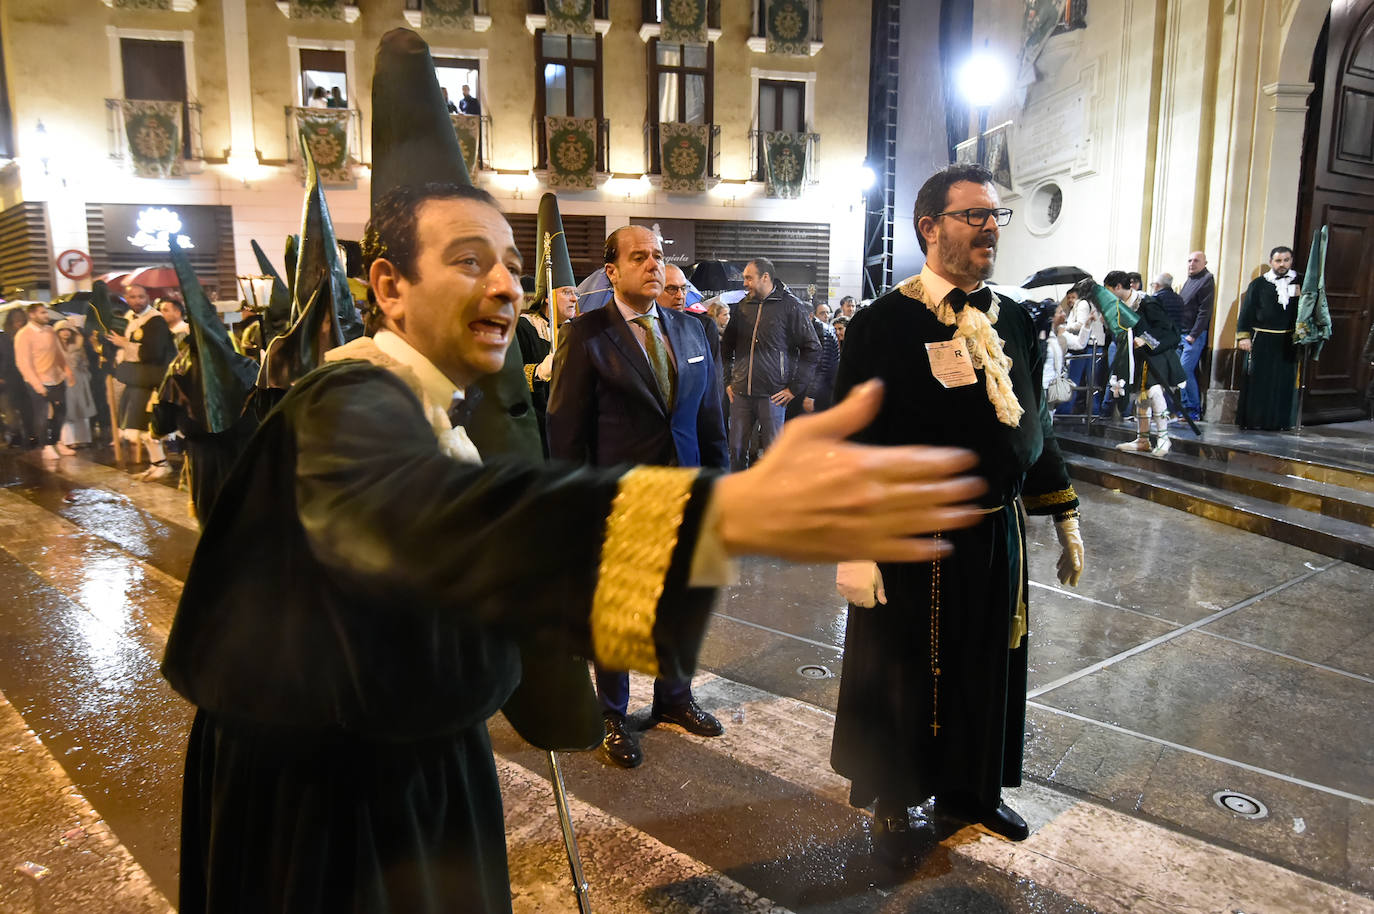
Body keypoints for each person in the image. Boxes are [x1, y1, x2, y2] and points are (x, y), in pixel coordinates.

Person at [161, 29, 988, 914]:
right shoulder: (346, 401)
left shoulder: (433, 402)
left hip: (415, 768)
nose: (508, 287)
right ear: (389, 288)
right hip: (331, 811)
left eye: (512, 265)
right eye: (468, 262)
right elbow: (440, 517)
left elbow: (483, 559)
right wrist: (720, 516)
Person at [829, 163, 1085, 865]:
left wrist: (1061, 513)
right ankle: (892, 793)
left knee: (985, 666)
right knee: (905, 667)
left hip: (995, 534)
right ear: (929, 228)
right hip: (912, 532)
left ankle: (973, 791)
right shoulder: (884, 324)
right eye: (974, 215)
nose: (991, 227)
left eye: (996, 214)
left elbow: (1036, 425)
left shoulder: (1017, 320)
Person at [548, 224, 730, 768]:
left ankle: (674, 698)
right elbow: (565, 431)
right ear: (612, 270)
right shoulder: (587, 336)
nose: (653, 265)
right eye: (639, 257)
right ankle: (612, 713)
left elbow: (710, 420)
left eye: (657, 256)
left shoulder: (692, 331)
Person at [720, 256, 819, 469]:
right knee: (736, 450)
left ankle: (771, 497)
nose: (744, 283)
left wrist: (794, 389)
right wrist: (728, 381)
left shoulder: (791, 306)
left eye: (748, 278)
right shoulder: (743, 306)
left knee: (773, 455)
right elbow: (726, 347)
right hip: (740, 393)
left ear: (765, 277)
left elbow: (812, 349)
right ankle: (739, 495)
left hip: (773, 395)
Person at [513, 192, 578, 448]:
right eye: (567, 292)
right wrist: (538, 373)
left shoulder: (579, 330)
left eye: (575, 293)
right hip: (537, 430)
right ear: (548, 297)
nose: (574, 299)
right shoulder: (524, 328)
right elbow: (507, 378)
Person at [1100, 270, 1186, 456]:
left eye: (1109, 290)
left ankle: (1164, 438)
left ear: (1118, 287)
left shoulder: (1148, 303)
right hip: (1136, 357)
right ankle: (1143, 439)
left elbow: (1167, 329)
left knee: (1154, 393)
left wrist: (1145, 340)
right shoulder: (1118, 307)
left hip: (1156, 356)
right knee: (1140, 397)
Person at [107, 284, 178, 479]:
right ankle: (157, 463)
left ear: (147, 297)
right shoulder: (131, 319)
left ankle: (162, 464)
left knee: (152, 425)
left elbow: (153, 353)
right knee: (140, 426)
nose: (137, 300)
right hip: (140, 380)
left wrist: (124, 344)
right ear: (126, 299)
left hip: (154, 381)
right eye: (133, 297)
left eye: (141, 297)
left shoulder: (155, 320)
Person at [1236, 245, 1301, 430]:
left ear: (1291, 261)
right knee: (1260, 381)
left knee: (1283, 382)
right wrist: (1244, 337)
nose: (1282, 264)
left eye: (1286, 260)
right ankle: (1255, 421)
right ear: (1271, 262)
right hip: (1262, 339)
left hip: (1288, 341)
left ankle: (1280, 422)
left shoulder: (1300, 281)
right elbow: (1246, 312)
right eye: (1278, 260)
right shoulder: (1258, 284)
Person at [14, 303, 75, 461]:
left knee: (61, 412)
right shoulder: (24, 335)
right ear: (32, 315)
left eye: (46, 312)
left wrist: (66, 370)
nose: (46, 316)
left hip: (56, 378)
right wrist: (37, 385)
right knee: (41, 415)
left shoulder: (50, 331)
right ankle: (45, 446)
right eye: (42, 313)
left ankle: (56, 441)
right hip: (38, 380)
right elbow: (23, 363)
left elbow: (57, 352)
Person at [1178, 251, 1214, 421]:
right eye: (1189, 260)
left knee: (1185, 369)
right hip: (1182, 332)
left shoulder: (1206, 280)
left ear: (1204, 263)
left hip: (1194, 335)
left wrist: (1193, 334)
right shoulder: (1189, 280)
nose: (1192, 263)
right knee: (1178, 371)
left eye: (1196, 261)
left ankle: (1193, 409)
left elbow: (1204, 311)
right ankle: (1184, 408)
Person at [55, 320, 96, 447]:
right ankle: (68, 440)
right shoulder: (54, 347)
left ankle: (83, 439)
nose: (66, 332)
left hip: (79, 380)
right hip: (62, 381)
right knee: (68, 410)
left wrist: (84, 376)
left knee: (81, 409)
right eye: (62, 330)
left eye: (68, 330)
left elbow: (85, 363)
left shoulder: (77, 347)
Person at [795, 301, 839, 415]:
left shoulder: (822, 332)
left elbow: (821, 366)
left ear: (810, 316)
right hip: (812, 385)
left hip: (823, 387)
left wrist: (811, 395)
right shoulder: (808, 329)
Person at [1, 308, 35, 447]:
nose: (18, 323)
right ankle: (15, 434)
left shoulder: (29, 335)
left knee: (28, 409)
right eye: (16, 320)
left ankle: (30, 436)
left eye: (21, 319)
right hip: (8, 380)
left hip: (27, 378)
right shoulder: (3, 338)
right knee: (10, 411)